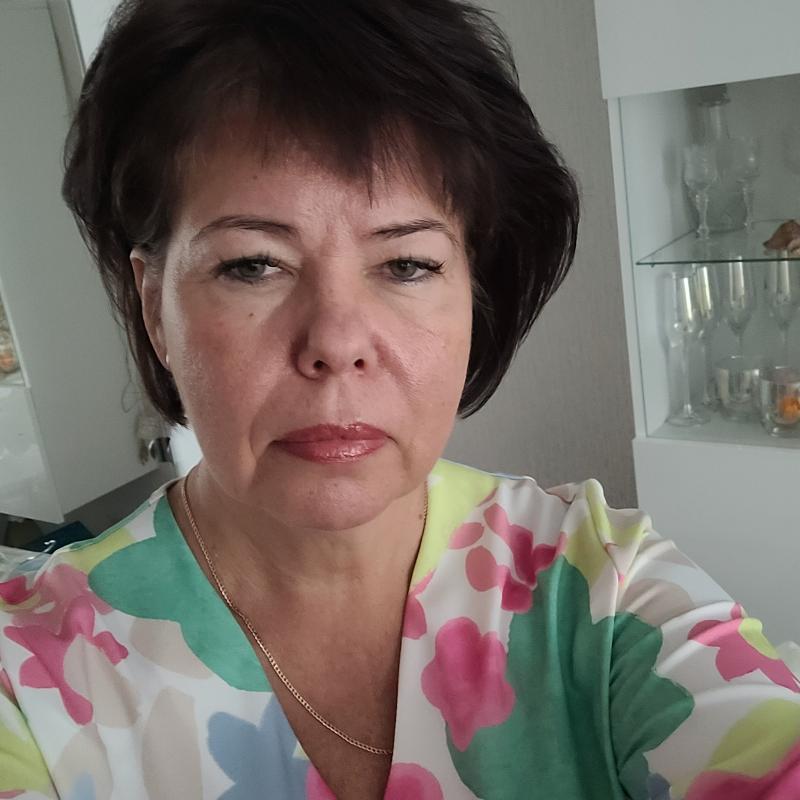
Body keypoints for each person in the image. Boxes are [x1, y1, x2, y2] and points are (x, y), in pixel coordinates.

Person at [1, 0, 798, 797]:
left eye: (406, 265)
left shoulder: (601, 593)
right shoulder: (29, 679)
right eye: (253, 264)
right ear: (154, 307)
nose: (337, 340)